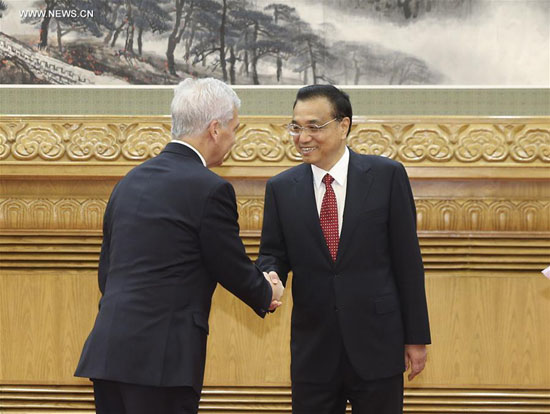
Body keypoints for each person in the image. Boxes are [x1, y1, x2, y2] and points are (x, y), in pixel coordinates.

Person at [75, 77, 284, 414]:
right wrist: (266, 291)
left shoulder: (129, 181)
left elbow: (108, 274)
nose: (234, 137)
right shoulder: (210, 189)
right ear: (215, 129)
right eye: (234, 128)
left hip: (109, 353)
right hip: (162, 361)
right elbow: (228, 263)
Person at [257, 84, 430, 414]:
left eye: (313, 127)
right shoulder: (281, 188)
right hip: (314, 347)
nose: (302, 137)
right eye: (296, 127)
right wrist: (270, 276)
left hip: (378, 342)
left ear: (343, 125)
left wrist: (416, 337)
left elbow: (408, 262)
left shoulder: (386, 176)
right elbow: (273, 253)